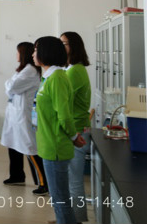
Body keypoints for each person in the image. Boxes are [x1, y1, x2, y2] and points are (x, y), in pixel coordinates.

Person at [33, 36, 86, 224]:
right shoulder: (49, 77)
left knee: (60, 199)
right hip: (48, 143)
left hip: (56, 145)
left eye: (36, 50)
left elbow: (64, 115)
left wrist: (73, 136)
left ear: (46, 52)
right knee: (58, 198)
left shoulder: (57, 78)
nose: (33, 54)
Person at [0, 42, 48, 196]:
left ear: (23, 54)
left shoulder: (30, 71)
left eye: (18, 52)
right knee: (13, 144)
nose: (16, 55)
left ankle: (43, 182)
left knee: (29, 147)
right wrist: (9, 85)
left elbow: (11, 87)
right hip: (15, 113)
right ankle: (17, 176)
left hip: (23, 115)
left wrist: (8, 84)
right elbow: (11, 87)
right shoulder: (23, 70)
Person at [61, 31, 91, 223]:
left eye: (63, 43)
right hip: (76, 127)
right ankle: (69, 217)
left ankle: (76, 219)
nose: (60, 46)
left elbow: (61, 100)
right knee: (70, 179)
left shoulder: (74, 71)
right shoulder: (72, 68)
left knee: (74, 181)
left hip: (77, 129)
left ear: (74, 46)